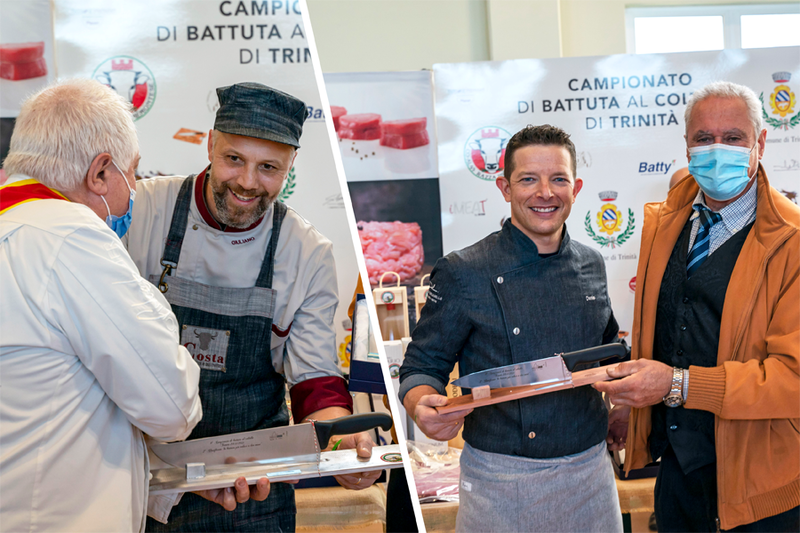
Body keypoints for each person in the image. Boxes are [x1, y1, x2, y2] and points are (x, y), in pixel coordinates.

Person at [123, 82, 380, 531]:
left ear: (291, 167)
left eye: (268, 168)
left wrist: (341, 441)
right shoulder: (142, 211)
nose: (246, 182)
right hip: (141, 478)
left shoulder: (306, 252)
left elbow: (315, 381)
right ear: (209, 143)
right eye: (233, 159)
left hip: (253, 488)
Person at [595, 81, 799, 532]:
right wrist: (636, 407)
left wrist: (677, 384)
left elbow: (793, 378)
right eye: (704, 139)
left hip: (762, 487)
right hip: (677, 473)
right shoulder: (667, 222)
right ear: (686, 146)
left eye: (734, 138)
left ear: (760, 143)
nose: (717, 150)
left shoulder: (793, 241)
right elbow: (663, 325)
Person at [399, 124, 625, 532]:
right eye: (528, 180)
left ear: (575, 187)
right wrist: (421, 403)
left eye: (558, 179)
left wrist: (621, 403)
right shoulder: (465, 270)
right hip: (501, 481)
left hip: (590, 471)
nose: (545, 193)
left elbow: (607, 351)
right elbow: (421, 364)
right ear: (504, 188)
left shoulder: (592, 262)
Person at [0, 79, 203, 532]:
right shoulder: (71, 238)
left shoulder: (15, 229)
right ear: (100, 173)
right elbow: (172, 405)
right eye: (132, 174)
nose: (134, 192)